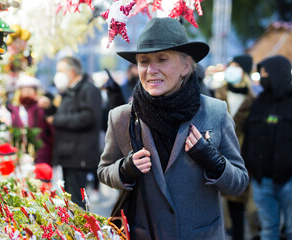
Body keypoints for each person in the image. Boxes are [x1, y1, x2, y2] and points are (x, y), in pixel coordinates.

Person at [97, 17, 249, 239]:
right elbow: (103, 171)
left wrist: (214, 162)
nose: (151, 70)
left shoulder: (215, 112)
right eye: (143, 61)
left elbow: (239, 183)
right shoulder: (121, 117)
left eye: (162, 59)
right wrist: (124, 169)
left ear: (186, 66)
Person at [242, 55, 292, 240]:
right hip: (262, 182)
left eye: (265, 73)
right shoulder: (258, 103)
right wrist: (249, 166)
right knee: (268, 230)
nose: (261, 77)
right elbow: (249, 137)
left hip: (289, 182)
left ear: (277, 74)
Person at [52, 56, 102, 208]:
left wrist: (58, 120)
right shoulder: (69, 91)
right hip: (68, 155)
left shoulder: (88, 89)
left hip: (79, 155)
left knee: (77, 203)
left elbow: (88, 118)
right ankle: (74, 230)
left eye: (60, 71)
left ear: (71, 71)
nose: (58, 75)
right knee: (70, 201)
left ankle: (80, 231)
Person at [215, 54, 255, 240]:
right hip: (214, 154)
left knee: (237, 208)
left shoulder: (253, 101)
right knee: (215, 207)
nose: (232, 69)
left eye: (237, 66)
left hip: (241, 156)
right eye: (231, 65)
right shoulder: (216, 95)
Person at [8, 74, 54, 166]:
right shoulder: (13, 109)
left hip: (41, 153)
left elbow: (50, 129)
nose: (28, 91)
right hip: (19, 152)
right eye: (25, 89)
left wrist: (48, 108)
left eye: (31, 88)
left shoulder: (41, 107)